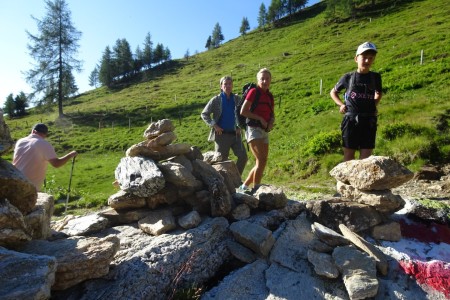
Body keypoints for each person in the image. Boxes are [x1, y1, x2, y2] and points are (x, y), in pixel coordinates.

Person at [330, 42, 383, 161]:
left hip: (369, 120)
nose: (367, 61)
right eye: (364, 57)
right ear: (356, 58)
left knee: (366, 156)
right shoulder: (347, 77)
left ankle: (364, 179)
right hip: (351, 119)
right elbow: (333, 92)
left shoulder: (375, 77)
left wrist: (373, 105)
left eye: (371, 58)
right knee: (349, 154)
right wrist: (341, 104)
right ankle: (346, 180)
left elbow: (379, 93)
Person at [201, 76, 248, 175]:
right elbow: (204, 114)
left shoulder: (237, 99)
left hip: (236, 135)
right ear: (221, 86)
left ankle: (236, 179)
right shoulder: (216, 99)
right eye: (225, 84)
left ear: (232, 85)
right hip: (221, 135)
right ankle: (223, 183)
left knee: (243, 157)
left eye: (230, 83)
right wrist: (214, 125)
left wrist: (239, 127)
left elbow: (243, 113)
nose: (228, 86)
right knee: (221, 161)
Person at [238, 68, 275, 193]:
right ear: (258, 80)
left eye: (267, 79)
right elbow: (243, 111)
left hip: (264, 130)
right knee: (261, 160)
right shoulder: (254, 92)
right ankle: (256, 189)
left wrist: (271, 122)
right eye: (262, 79)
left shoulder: (270, 96)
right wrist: (260, 118)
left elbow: (272, 113)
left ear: (270, 80)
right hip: (253, 129)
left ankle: (244, 187)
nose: (265, 81)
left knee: (262, 162)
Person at [13, 123, 78, 191]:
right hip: (30, 186)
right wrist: (70, 155)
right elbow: (56, 164)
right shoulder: (44, 143)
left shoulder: (20, 141)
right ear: (45, 134)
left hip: (15, 179)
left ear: (33, 131)